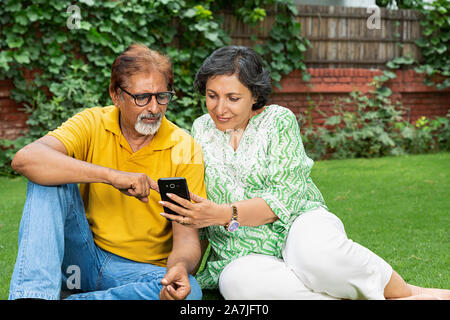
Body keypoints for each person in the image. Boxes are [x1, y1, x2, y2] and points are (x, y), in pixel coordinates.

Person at [158, 45, 450, 300]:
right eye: (212, 96)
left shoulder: (278, 120)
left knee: (315, 256)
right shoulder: (199, 130)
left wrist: (223, 214)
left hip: (297, 224)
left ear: (254, 96)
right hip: (242, 249)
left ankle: (408, 292)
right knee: (237, 284)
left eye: (233, 98)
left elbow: (283, 199)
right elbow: (200, 206)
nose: (220, 108)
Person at [8, 43, 205, 300]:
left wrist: (179, 267)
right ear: (116, 95)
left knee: (189, 293)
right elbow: (26, 159)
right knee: (47, 176)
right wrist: (112, 176)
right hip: (81, 256)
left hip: (139, 271)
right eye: (142, 97)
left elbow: (187, 239)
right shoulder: (92, 123)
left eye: (162, 96)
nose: (154, 108)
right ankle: (32, 295)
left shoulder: (184, 147)